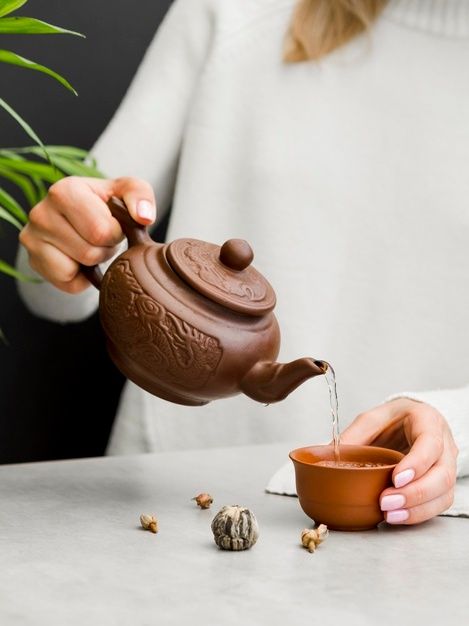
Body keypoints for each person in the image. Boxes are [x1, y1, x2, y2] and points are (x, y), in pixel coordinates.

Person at [16, 0, 469, 525]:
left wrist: (455, 421)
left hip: (418, 544)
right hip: (163, 510)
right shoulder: (232, 13)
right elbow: (47, 287)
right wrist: (64, 240)